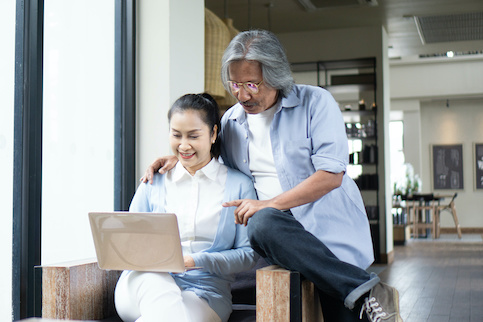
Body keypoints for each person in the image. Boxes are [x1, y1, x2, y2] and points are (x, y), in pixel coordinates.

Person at [144, 30, 402, 322]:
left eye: (252, 83)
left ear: (276, 74)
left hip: (327, 235)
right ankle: (366, 289)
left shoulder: (316, 103)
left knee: (344, 314)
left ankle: (359, 292)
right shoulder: (230, 121)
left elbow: (331, 175)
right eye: (235, 84)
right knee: (262, 223)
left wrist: (270, 204)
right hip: (271, 234)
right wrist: (179, 157)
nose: (243, 94)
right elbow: (212, 159)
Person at [115, 93, 258, 322]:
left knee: (168, 315)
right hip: (143, 283)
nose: (183, 145)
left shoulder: (239, 185)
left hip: (205, 293)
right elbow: (129, 239)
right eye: (176, 135)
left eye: (193, 136)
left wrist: (195, 261)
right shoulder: (154, 181)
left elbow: (248, 255)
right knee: (158, 284)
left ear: (213, 134)